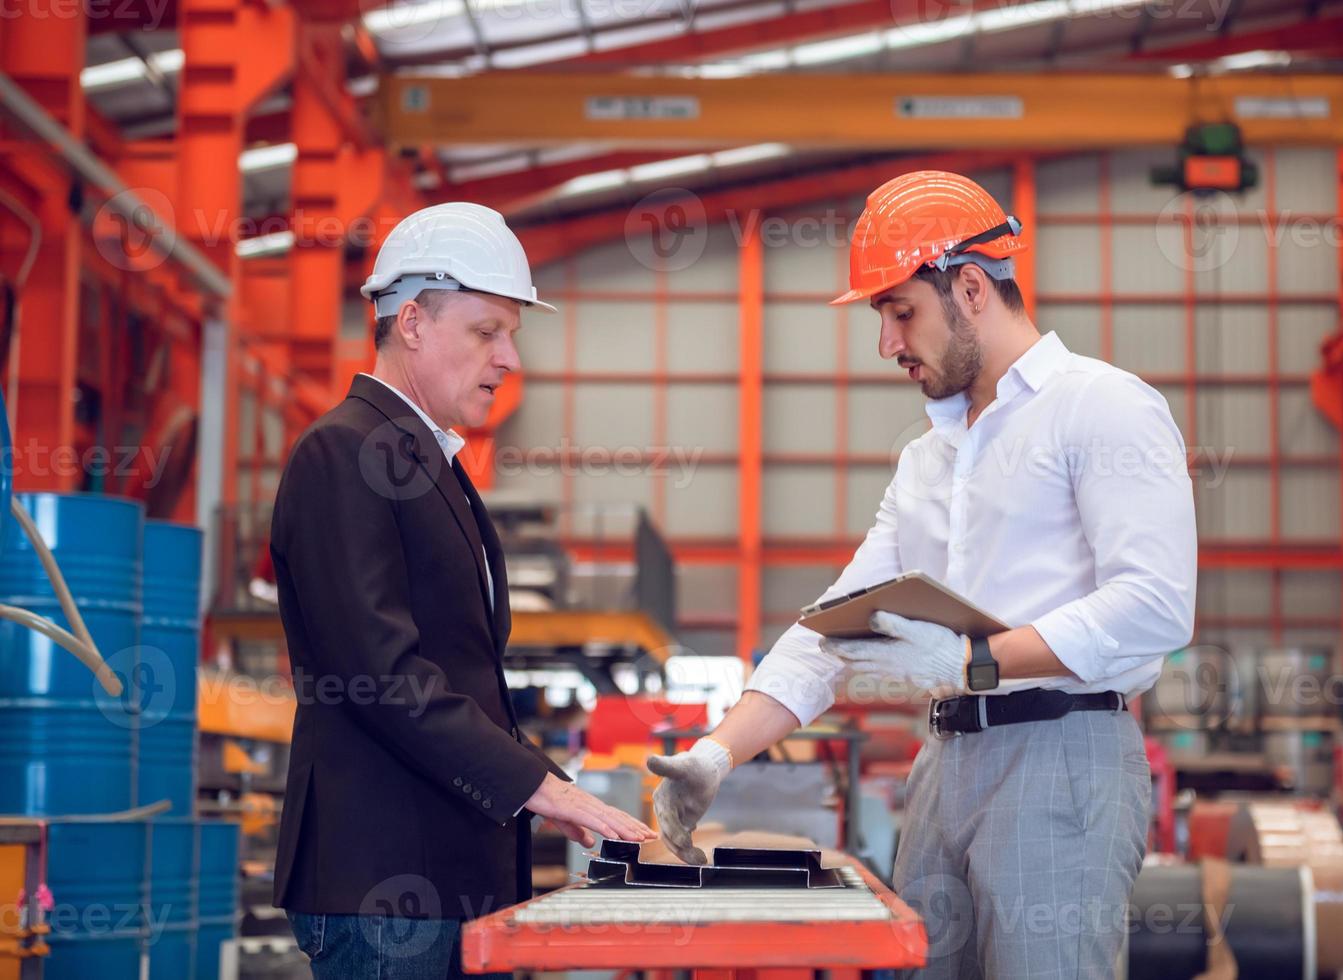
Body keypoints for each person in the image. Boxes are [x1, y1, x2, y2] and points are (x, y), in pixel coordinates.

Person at [648, 171, 1197, 978]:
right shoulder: (929, 459)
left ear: (971, 287)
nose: (888, 344)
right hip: (944, 766)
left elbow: (1154, 606)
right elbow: (839, 624)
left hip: (1063, 755)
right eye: (882, 316)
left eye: (900, 311)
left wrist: (979, 662)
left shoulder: (1102, 409)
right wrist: (718, 754)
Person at [271, 202, 654, 979]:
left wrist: (558, 789)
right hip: (382, 887)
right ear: (411, 322)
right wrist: (546, 790)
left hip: (440, 878)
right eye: (487, 332)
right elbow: (384, 675)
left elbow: (463, 684)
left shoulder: (425, 464)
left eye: (512, 333)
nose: (509, 357)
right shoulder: (343, 453)